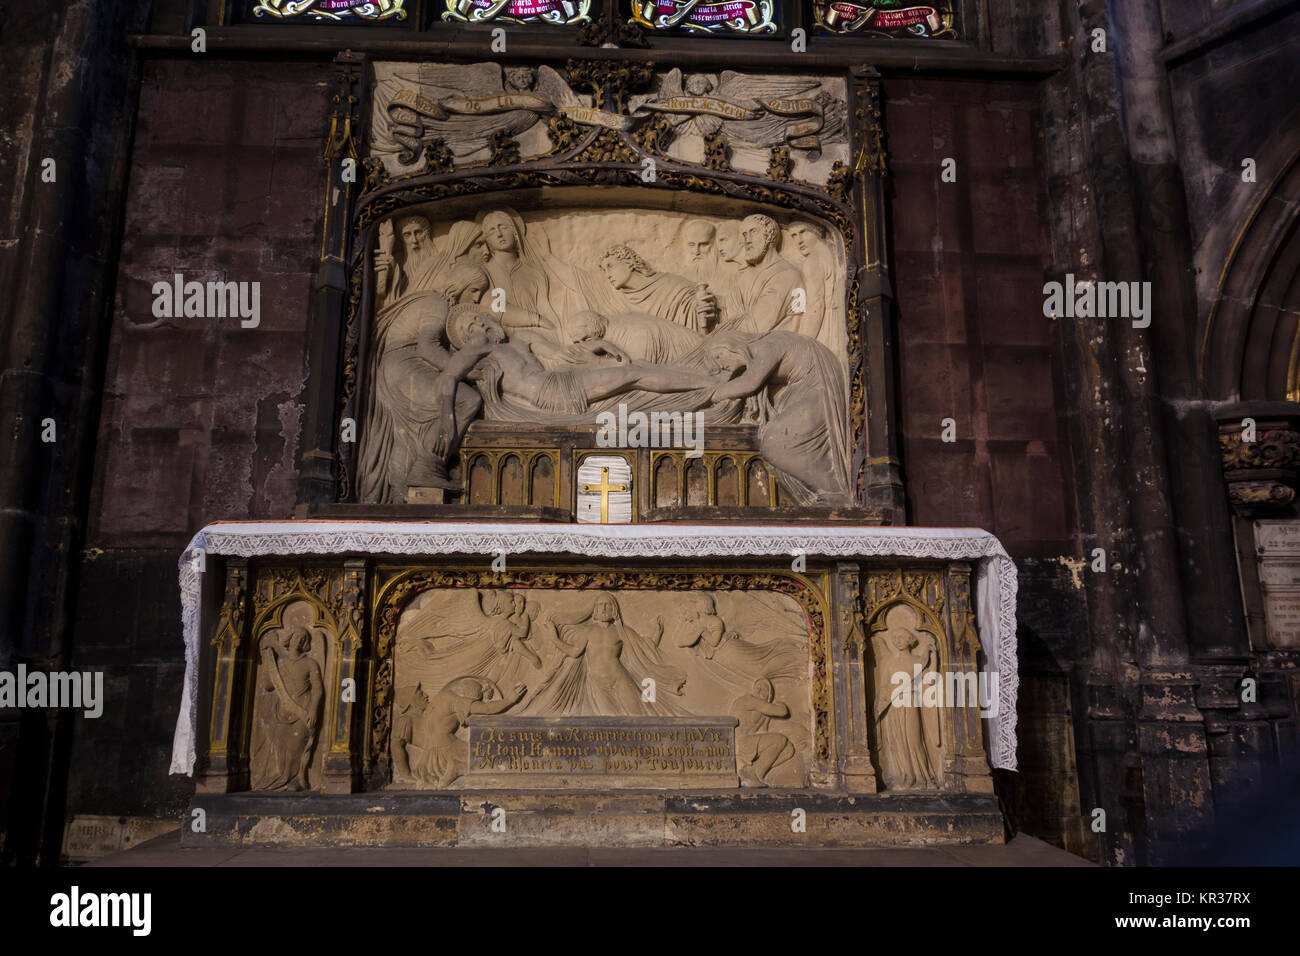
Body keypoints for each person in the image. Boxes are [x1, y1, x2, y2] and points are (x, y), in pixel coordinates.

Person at [446, 309, 714, 417]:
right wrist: (447, 418)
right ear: (465, 338)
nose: (481, 323)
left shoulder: (521, 339)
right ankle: (710, 385)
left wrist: (598, 347)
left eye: (480, 318)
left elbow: (560, 355)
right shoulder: (474, 353)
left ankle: (702, 375)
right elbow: (446, 377)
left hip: (558, 379)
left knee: (638, 365)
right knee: (635, 374)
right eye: (471, 325)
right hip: (550, 392)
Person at [705, 330, 851, 504]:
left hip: (819, 391)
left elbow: (750, 382)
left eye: (719, 356)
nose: (720, 365)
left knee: (774, 444)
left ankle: (833, 491)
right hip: (804, 392)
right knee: (775, 441)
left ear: (732, 346)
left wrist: (708, 395)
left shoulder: (768, 345)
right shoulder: (760, 353)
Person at [251, 627, 324, 791]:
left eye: (303, 638)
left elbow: (318, 689)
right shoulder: (280, 663)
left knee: (295, 747)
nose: (299, 640)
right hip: (282, 710)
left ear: (306, 643)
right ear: (290, 638)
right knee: (280, 748)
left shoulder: (310, 663)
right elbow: (268, 686)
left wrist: (313, 710)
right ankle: (280, 778)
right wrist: (267, 662)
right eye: (296, 636)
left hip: (302, 710)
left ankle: (296, 779)